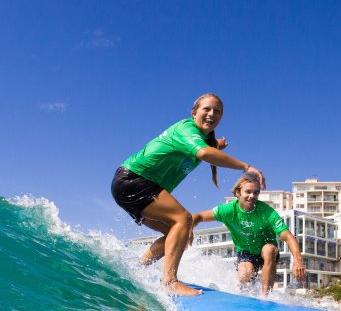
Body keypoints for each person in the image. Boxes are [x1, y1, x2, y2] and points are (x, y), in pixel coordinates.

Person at [111, 93, 265, 296]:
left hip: (131, 185)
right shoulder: (186, 129)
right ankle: (170, 282)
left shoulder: (203, 138)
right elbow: (203, 153)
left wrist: (218, 144)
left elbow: (209, 147)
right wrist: (246, 167)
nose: (212, 114)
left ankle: (138, 268)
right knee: (184, 220)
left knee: (177, 235)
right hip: (134, 180)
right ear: (194, 113)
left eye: (217, 111)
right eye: (207, 109)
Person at [192, 172, 307, 295]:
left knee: (268, 250)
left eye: (256, 193)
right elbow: (198, 216)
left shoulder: (267, 212)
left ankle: (266, 297)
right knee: (245, 275)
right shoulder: (228, 210)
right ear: (238, 193)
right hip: (245, 251)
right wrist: (189, 229)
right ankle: (245, 295)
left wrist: (298, 260)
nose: (252, 196)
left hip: (267, 252)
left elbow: (288, 237)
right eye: (248, 192)